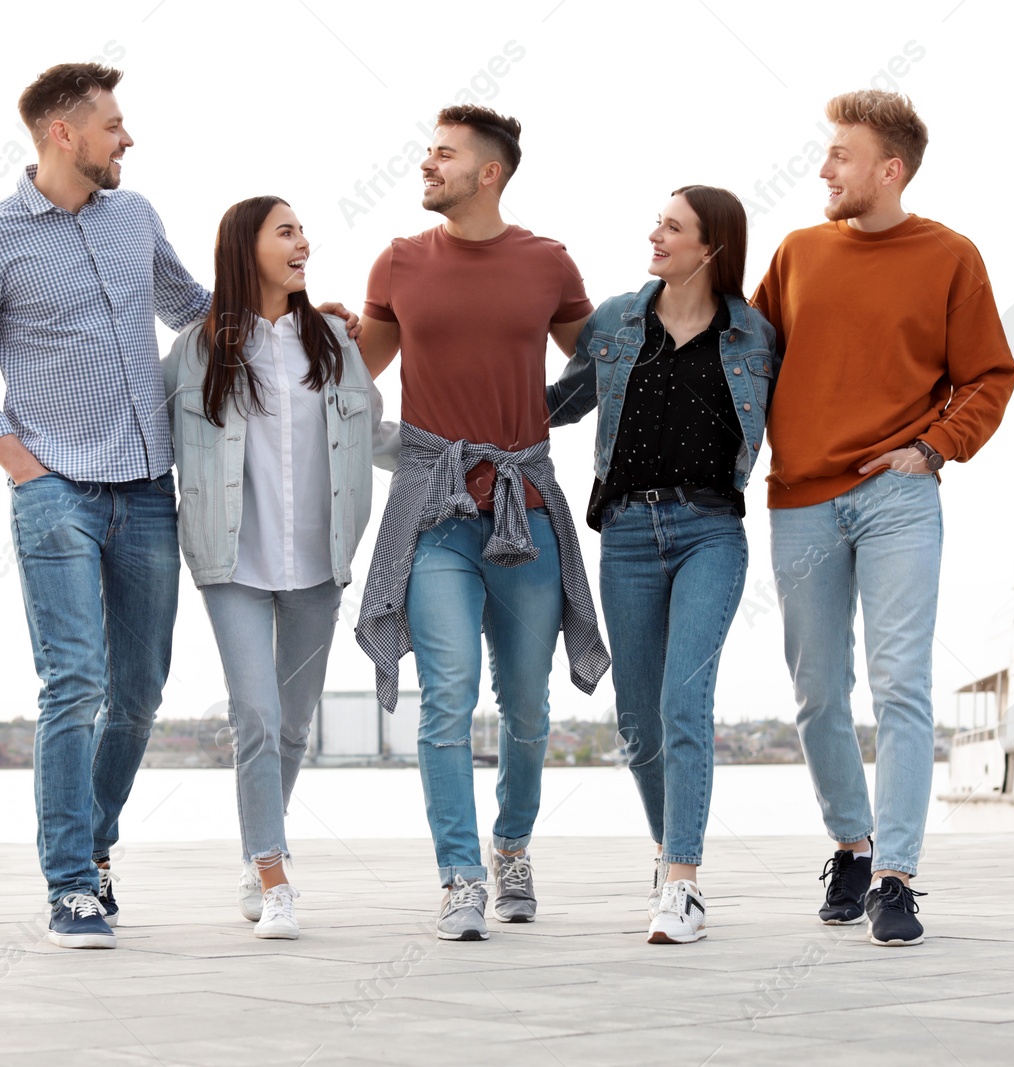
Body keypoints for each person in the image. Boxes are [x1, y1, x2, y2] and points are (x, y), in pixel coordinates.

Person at [0, 63, 357, 949]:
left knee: (137, 693)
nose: (128, 139)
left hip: (148, 490)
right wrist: (27, 471)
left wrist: (300, 319)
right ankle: (70, 886)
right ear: (63, 133)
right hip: (57, 494)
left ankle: (93, 847)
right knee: (75, 683)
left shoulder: (135, 218)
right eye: (113, 125)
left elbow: (198, 309)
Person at [752, 90, 1014, 946]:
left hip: (900, 492)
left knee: (902, 681)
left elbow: (990, 373)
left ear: (888, 169)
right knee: (818, 689)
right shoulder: (795, 254)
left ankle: (897, 876)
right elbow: (743, 364)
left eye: (840, 155)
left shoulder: (951, 257)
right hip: (801, 497)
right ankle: (852, 845)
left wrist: (935, 448)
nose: (824, 169)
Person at [354, 105, 610, 942]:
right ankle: (459, 876)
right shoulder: (399, 262)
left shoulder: (547, 263)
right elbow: (348, 379)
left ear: (488, 172)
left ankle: (512, 846)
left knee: (528, 708)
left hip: (524, 512)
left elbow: (608, 362)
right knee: (447, 698)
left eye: (444, 153)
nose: (427, 163)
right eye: (427, 149)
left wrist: (542, 425)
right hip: (434, 515)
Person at [162, 197, 397, 939]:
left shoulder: (333, 339)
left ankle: (258, 848)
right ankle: (273, 872)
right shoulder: (197, 349)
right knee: (256, 716)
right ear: (246, 248)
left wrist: (451, 451)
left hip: (319, 562)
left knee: (294, 726)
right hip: (231, 559)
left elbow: (372, 434)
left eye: (301, 232)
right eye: (286, 232)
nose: (303, 243)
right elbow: (149, 436)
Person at [548, 186, 776, 944]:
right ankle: (664, 853)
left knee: (685, 701)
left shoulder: (754, 338)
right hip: (627, 534)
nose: (655, 234)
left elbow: (807, 411)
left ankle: (684, 884)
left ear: (711, 247)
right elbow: (560, 402)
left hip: (711, 528)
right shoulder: (618, 320)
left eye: (672, 227)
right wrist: (466, 395)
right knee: (637, 723)